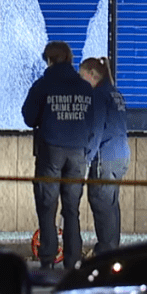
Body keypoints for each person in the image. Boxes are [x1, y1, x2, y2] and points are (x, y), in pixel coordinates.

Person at [21, 41, 96, 270]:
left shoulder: (43, 85)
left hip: (51, 151)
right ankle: (73, 260)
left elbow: (29, 117)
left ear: (49, 59)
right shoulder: (85, 87)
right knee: (72, 209)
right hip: (78, 152)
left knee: (47, 206)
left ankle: (48, 259)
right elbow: (93, 120)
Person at [80, 56, 131, 255]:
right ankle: (113, 249)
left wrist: (85, 158)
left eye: (82, 77)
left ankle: (105, 252)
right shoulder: (116, 93)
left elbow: (96, 130)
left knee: (101, 202)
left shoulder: (98, 95)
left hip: (106, 156)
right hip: (121, 154)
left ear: (92, 75)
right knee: (111, 205)